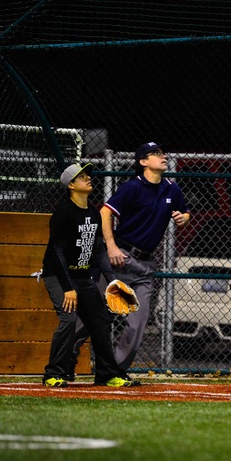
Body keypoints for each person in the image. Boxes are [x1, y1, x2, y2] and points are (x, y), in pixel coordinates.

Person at [41, 163, 140, 388]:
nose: (88, 179)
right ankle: (53, 374)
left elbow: (97, 250)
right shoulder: (63, 213)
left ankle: (106, 375)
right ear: (72, 185)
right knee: (68, 320)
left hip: (82, 276)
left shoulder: (93, 213)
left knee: (101, 321)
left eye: (88, 175)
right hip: (58, 275)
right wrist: (68, 287)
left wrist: (112, 279)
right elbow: (57, 253)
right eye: (82, 177)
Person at [98, 141, 190, 370]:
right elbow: (105, 212)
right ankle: (64, 360)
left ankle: (114, 370)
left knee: (137, 323)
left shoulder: (171, 188)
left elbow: (185, 211)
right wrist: (111, 247)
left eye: (163, 152)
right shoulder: (133, 187)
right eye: (156, 154)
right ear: (143, 162)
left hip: (145, 264)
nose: (163, 156)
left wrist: (184, 217)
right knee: (95, 316)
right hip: (121, 259)